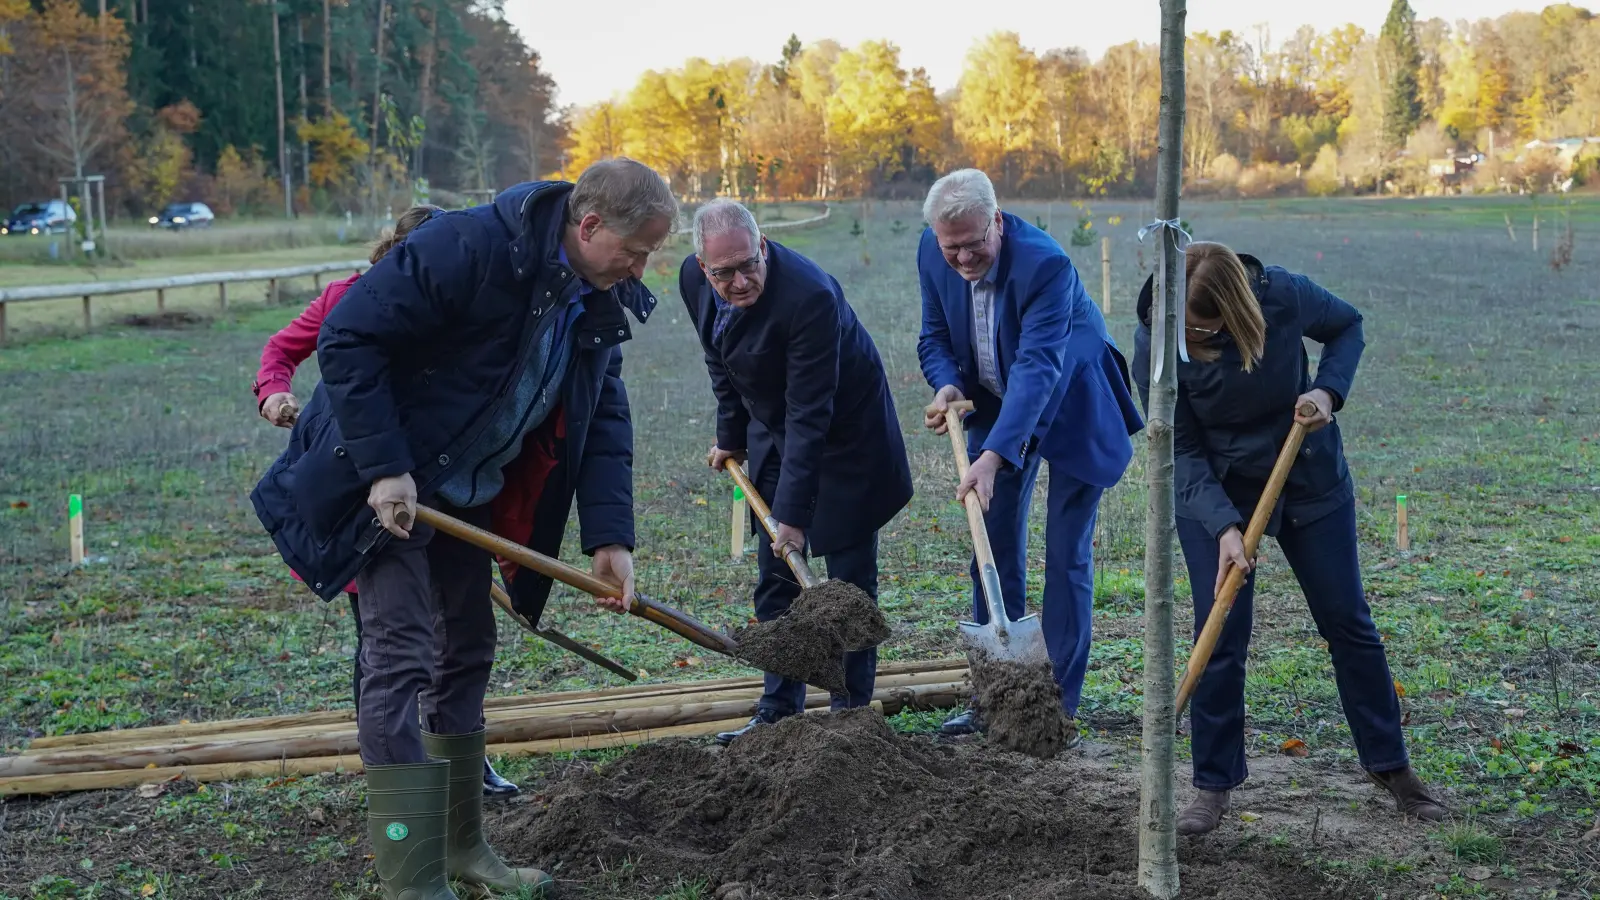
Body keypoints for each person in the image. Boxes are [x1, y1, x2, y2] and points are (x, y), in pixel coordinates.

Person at [250, 158, 677, 899]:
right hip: (385, 484)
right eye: (636, 250)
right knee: (400, 661)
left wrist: (612, 537)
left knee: (468, 649)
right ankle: (411, 874)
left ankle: (462, 849)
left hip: (464, 490)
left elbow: (604, 415)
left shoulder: (595, 296)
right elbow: (349, 336)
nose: (643, 267)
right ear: (590, 225)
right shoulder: (471, 246)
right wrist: (386, 467)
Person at [1130, 241, 1448, 835]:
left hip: (1304, 473)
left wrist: (1327, 391)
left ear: (1237, 311)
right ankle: (1212, 784)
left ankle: (1392, 767)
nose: (1190, 341)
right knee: (1220, 632)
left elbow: (1347, 326)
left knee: (1348, 623)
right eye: (1183, 329)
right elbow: (1178, 445)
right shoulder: (1157, 336)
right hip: (1216, 487)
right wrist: (1223, 525)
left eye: (1203, 330)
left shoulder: (1283, 294)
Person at [249, 204, 519, 800]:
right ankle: (396, 777)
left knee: (456, 635)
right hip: (358, 491)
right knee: (389, 641)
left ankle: (458, 763)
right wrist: (273, 394)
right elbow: (281, 350)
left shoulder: (471, 312)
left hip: (441, 493)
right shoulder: (351, 296)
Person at [917, 168, 1143, 746]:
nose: (963, 257)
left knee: (1065, 553)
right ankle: (999, 695)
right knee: (990, 543)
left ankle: (1055, 708)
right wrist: (945, 384)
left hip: (1072, 401)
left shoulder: (1046, 264)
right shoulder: (932, 249)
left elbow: (1039, 367)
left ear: (998, 220)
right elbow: (934, 334)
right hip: (995, 398)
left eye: (975, 243)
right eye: (952, 247)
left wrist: (994, 455)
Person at [679, 199, 913, 745]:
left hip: (847, 437)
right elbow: (721, 364)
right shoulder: (695, 283)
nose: (738, 281)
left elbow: (812, 414)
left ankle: (850, 717)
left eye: (748, 265)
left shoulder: (810, 296)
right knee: (775, 577)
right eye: (724, 272)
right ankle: (777, 711)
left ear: (764, 246)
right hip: (776, 430)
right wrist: (731, 436)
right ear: (701, 265)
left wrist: (794, 516)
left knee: (848, 585)